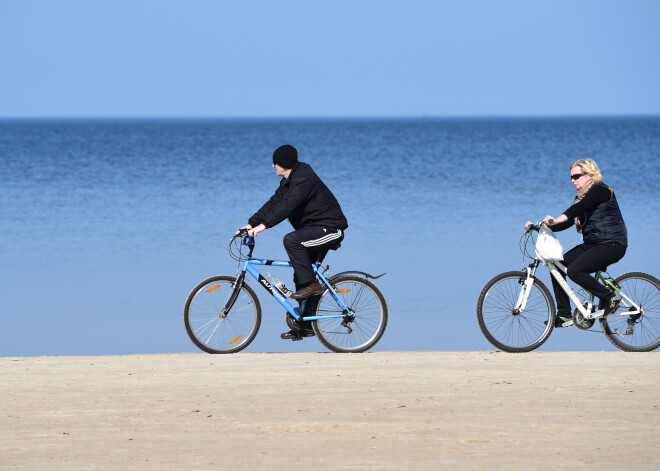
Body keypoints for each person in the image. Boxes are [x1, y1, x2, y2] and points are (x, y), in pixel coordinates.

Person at [240, 144, 349, 339]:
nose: (273, 166)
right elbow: (274, 203)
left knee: (292, 241)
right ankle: (306, 324)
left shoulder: (303, 179)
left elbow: (288, 206)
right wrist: (250, 224)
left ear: (283, 164)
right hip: (312, 229)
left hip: (330, 228)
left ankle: (312, 285)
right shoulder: (288, 181)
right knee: (301, 273)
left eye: (275, 163)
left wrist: (263, 227)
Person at [525, 158, 628, 327]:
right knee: (557, 266)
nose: (573, 181)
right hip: (592, 245)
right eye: (571, 177)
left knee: (575, 270)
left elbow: (575, 210)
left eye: (577, 176)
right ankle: (564, 314)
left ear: (590, 175)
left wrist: (557, 219)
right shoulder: (581, 198)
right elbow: (566, 222)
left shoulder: (601, 190)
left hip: (612, 244)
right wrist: (540, 226)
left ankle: (610, 297)